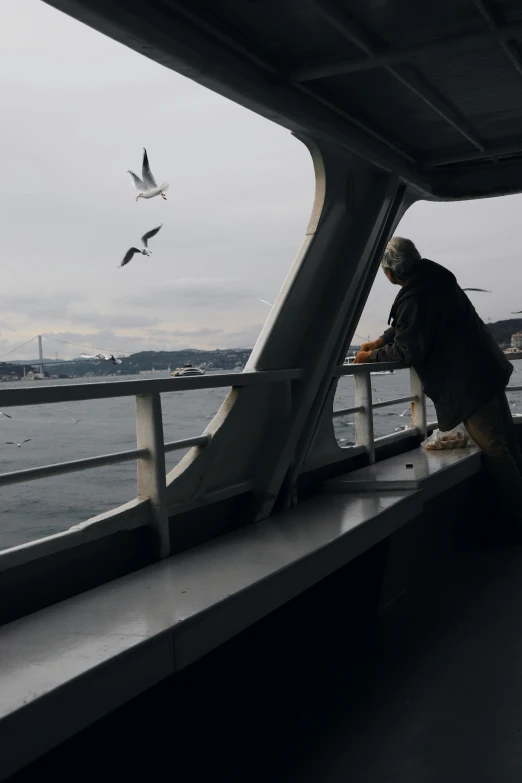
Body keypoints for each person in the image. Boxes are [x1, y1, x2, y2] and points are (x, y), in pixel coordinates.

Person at [354, 236, 522, 525]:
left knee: (495, 450)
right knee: (507, 441)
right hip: (485, 370)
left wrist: (369, 357)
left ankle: (517, 518)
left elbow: (408, 349)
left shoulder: (416, 296)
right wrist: (381, 340)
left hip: (469, 382)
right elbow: (409, 326)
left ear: (390, 273)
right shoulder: (433, 278)